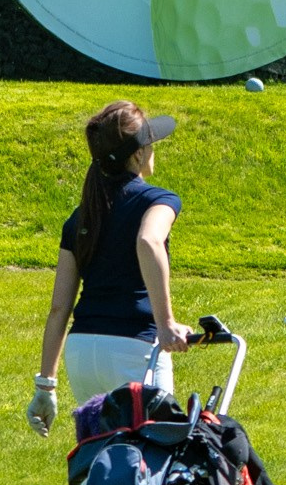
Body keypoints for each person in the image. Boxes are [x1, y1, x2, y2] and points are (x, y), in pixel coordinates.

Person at [26, 100, 189, 439]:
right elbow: (149, 241)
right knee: (152, 462)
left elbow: (59, 308)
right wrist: (166, 324)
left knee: (104, 463)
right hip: (134, 349)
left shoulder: (82, 215)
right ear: (138, 154)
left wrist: (46, 385)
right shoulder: (159, 200)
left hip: (83, 352)